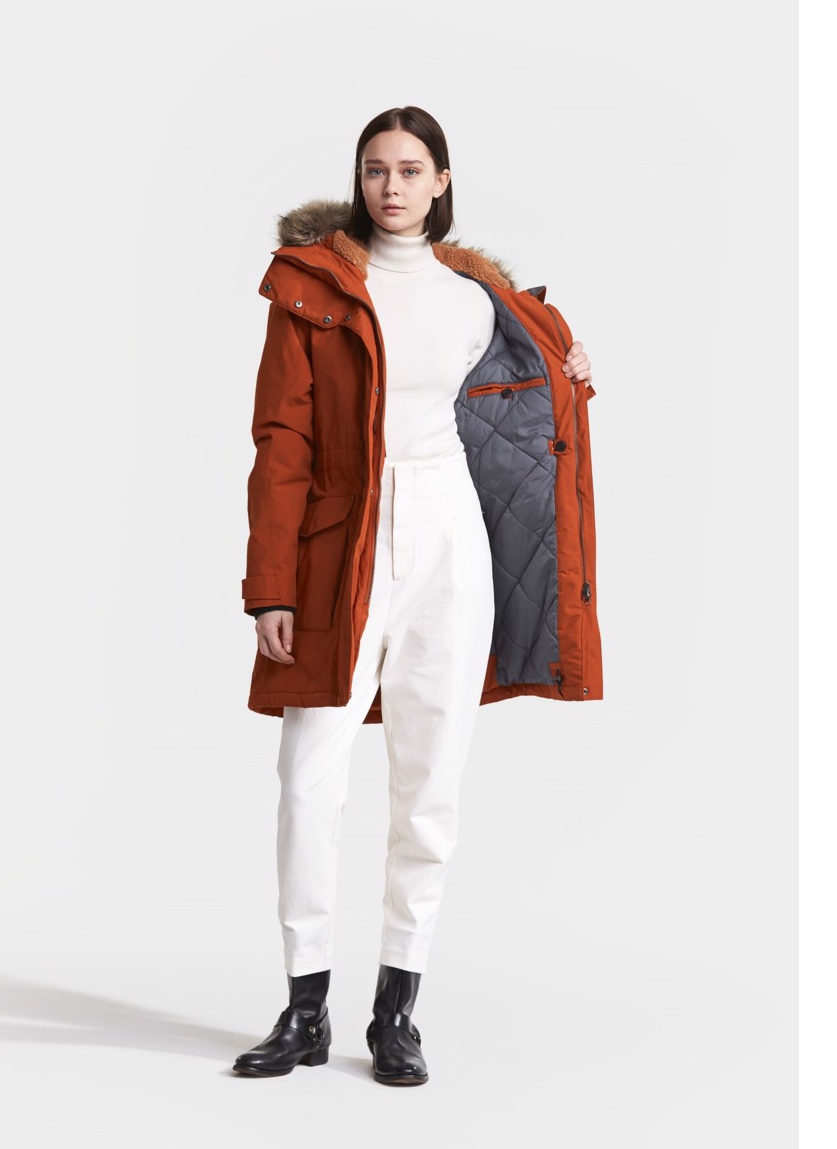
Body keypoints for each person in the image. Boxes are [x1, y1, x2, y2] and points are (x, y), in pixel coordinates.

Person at [233, 107, 602, 1085]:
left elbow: (534, 399)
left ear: (442, 180)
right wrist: (270, 587)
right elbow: (280, 440)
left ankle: (396, 1011)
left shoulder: (478, 296)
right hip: (340, 541)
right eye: (374, 169)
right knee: (309, 779)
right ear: (357, 180)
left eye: (409, 169)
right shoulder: (311, 287)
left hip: (450, 537)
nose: (390, 186)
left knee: (428, 785)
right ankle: (303, 1008)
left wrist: (572, 371)